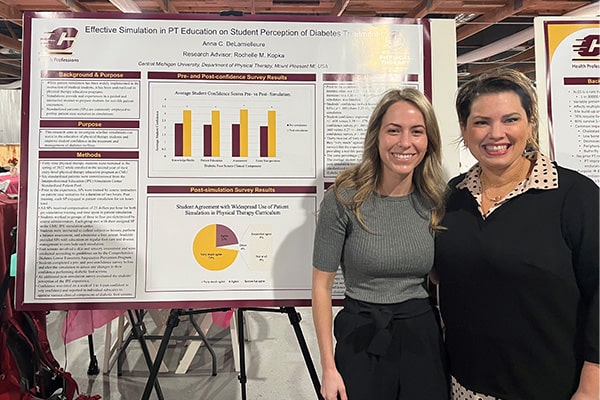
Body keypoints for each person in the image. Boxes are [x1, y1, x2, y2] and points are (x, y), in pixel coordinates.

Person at [434, 68, 599, 400]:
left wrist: (592, 384)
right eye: (481, 122)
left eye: (510, 119)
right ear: (464, 130)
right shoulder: (453, 196)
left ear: (530, 124)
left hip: (551, 388)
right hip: (464, 386)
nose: (496, 133)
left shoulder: (573, 195)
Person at [311, 88, 450, 400]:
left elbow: (442, 275)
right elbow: (321, 288)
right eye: (393, 130)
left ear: (429, 141)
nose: (405, 143)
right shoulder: (344, 199)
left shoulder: (436, 199)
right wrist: (329, 368)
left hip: (422, 335)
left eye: (417, 131)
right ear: (376, 136)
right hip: (362, 336)